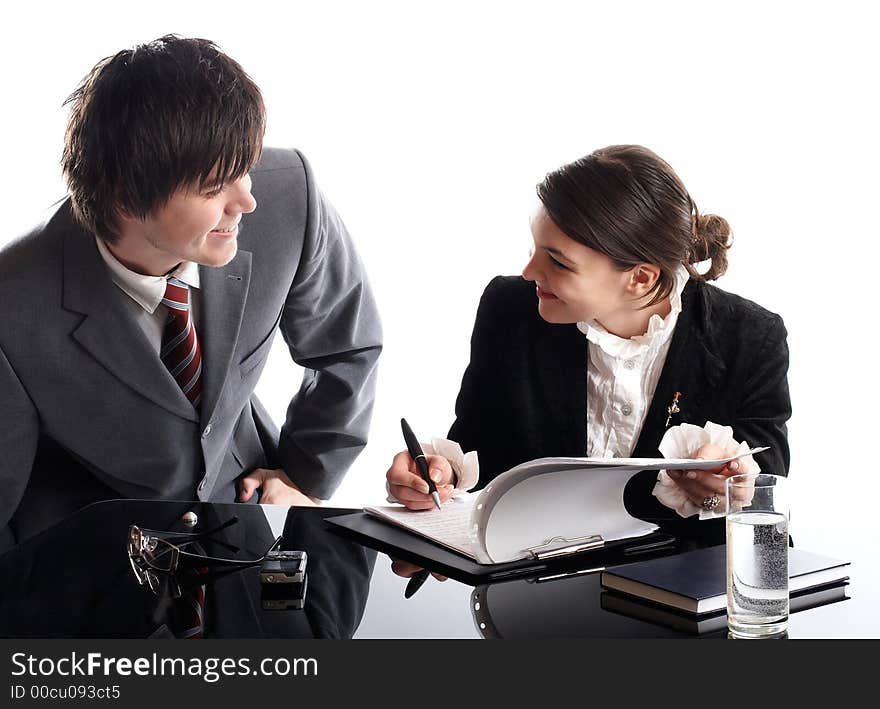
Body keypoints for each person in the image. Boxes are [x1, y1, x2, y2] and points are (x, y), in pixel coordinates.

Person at [0, 36, 382, 554]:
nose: (246, 200)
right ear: (127, 199)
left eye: (244, 168)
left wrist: (302, 481)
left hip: (248, 535)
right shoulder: (14, 304)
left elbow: (348, 349)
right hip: (92, 556)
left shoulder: (290, 196)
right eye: (215, 186)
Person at [386, 144, 790, 543]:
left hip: (691, 590)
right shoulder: (508, 309)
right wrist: (440, 474)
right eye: (534, 249)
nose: (529, 272)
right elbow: (479, 444)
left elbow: (767, 479)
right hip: (539, 588)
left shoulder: (750, 337)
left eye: (558, 262)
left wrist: (734, 489)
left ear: (641, 278)